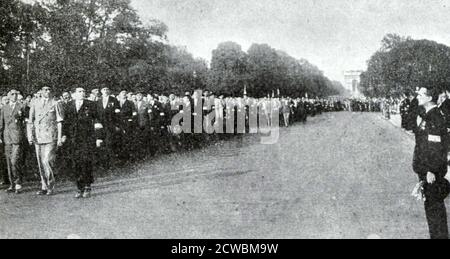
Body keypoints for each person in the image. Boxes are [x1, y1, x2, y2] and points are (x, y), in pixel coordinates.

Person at [413, 86, 450, 239]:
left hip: (431, 173)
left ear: (429, 98)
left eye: (420, 95)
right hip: (426, 171)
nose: (417, 97)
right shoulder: (429, 115)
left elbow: (436, 148)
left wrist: (431, 170)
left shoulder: (434, 117)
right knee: (431, 209)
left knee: (435, 210)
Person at [63, 88, 99, 199]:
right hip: (73, 139)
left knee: (86, 162)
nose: (82, 93)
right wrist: (64, 135)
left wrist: (98, 137)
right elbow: (66, 121)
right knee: (76, 163)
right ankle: (79, 188)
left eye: (83, 91)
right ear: (73, 94)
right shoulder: (69, 105)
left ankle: (87, 186)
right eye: (79, 91)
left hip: (87, 138)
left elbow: (97, 120)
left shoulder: (91, 104)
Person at [28, 86, 64, 196]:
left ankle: (50, 185)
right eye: (45, 90)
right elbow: (30, 121)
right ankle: (44, 186)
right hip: (38, 136)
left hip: (51, 136)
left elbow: (59, 121)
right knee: (40, 162)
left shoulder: (55, 103)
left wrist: (59, 137)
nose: (47, 92)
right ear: (41, 92)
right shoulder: (35, 103)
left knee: (47, 161)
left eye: (49, 90)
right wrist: (30, 136)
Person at [0, 90, 27, 194]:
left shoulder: (21, 106)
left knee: (14, 161)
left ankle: (18, 182)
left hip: (17, 137)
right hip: (7, 138)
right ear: (8, 96)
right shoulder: (4, 108)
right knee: (8, 161)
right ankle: (12, 184)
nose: (14, 96)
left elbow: (25, 122)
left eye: (16, 94)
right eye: (12, 94)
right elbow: (1, 124)